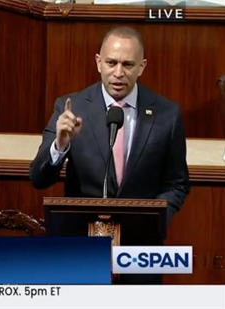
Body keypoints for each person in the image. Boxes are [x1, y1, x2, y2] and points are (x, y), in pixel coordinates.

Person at [29, 27, 190, 282]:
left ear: (142, 66)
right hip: (79, 250)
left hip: (140, 253)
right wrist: (60, 145)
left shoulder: (166, 114)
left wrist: (153, 220)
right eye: (111, 63)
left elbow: (177, 184)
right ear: (98, 63)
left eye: (128, 64)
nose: (118, 73)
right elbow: (38, 178)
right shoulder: (70, 106)